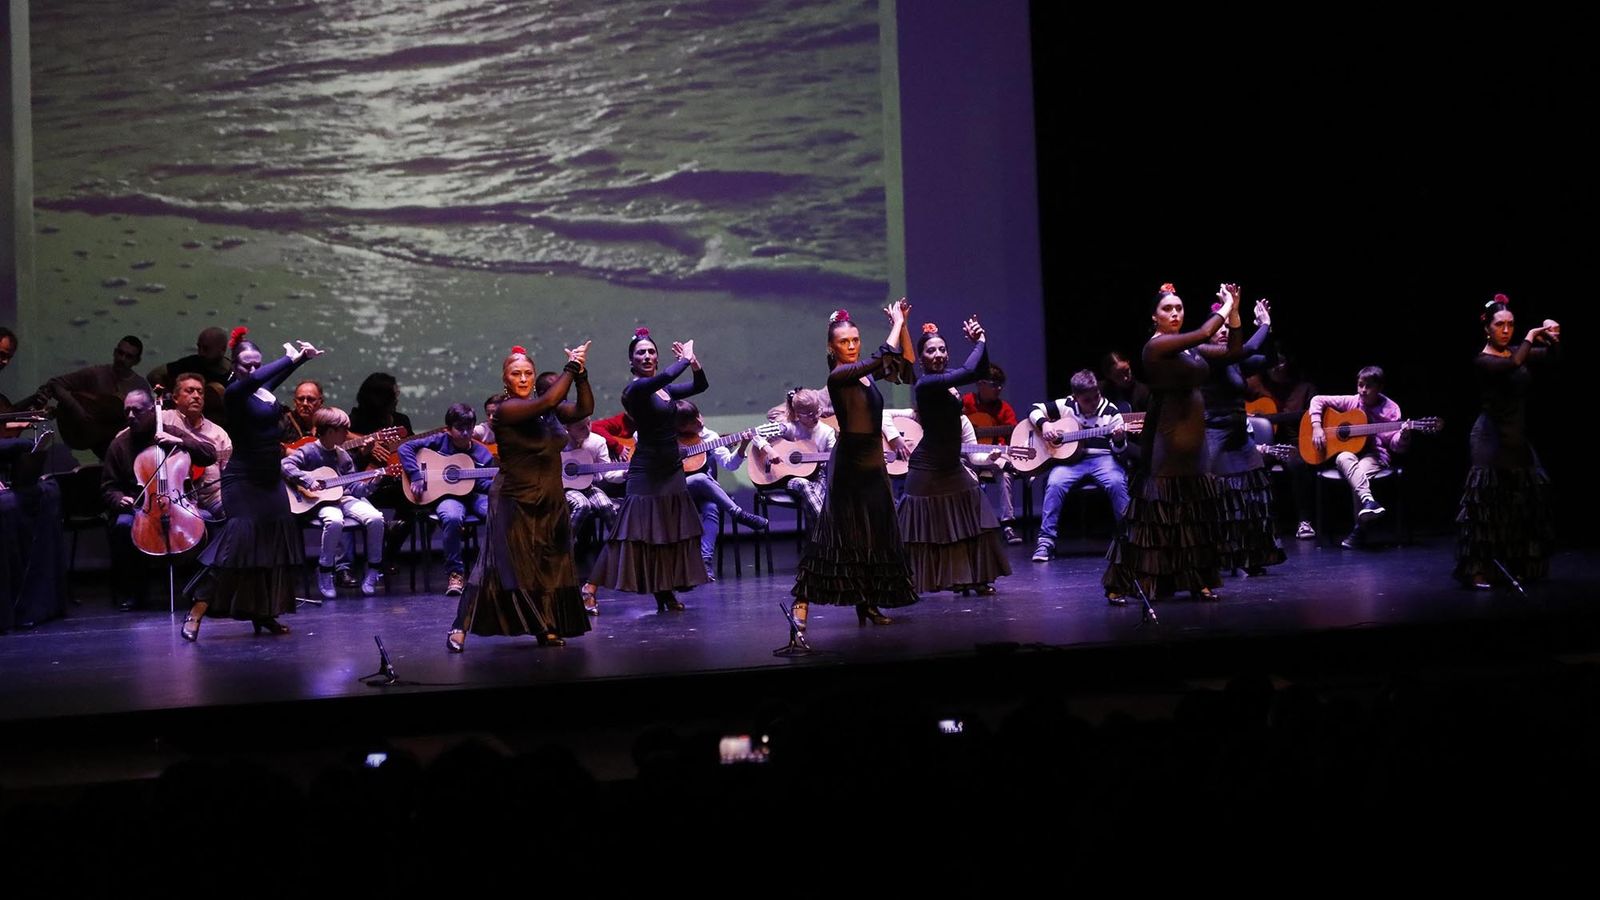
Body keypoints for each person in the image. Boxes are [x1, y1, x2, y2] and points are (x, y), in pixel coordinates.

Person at [447, 342, 593, 651]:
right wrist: (570, 366)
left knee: (549, 565)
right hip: (515, 500)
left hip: (550, 498)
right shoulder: (507, 410)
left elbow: (583, 410)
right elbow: (550, 398)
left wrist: (581, 375)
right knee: (498, 567)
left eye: (528, 373)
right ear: (506, 379)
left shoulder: (547, 411)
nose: (524, 379)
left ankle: (545, 626)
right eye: (516, 374)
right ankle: (460, 625)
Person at [181, 328, 323, 640]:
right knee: (235, 548)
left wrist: (301, 359)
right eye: (247, 364)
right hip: (243, 483)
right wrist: (288, 358)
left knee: (272, 546)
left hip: (270, 481)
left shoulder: (260, 390)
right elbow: (261, 378)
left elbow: (269, 378)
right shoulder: (233, 393)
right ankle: (196, 611)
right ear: (234, 365)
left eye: (258, 364)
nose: (254, 369)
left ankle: (263, 613)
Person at [1103, 283, 1242, 604]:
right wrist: (1226, 305)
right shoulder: (1155, 347)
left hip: (1195, 441)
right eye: (1168, 309)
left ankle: (1197, 580)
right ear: (1155, 316)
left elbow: (1233, 353)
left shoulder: (1188, 350)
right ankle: (1121, 583)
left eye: (1179, 308)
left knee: (1193, 516)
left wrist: (1234, 314)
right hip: (1168, 441)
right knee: (1154, 517)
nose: (1175, 313)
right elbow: (1206, 332)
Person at [788, 304, 919, 642]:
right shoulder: (839, 376)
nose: (851, 346)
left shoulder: (865, 374)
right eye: (844, 342)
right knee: (835, 536)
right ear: (831, 348)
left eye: (855, 340)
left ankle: (868, 603)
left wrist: (903, 325)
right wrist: (896, 324)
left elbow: (906, 364)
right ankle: (801, 602)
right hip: (849, 466)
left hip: (874, 465)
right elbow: (883, 354)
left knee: (874, 536)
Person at [590, 329, 711, 613]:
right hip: (646, 471)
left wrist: (694, 363)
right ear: (631, 362)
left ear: (657, 357)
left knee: (667, 531)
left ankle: (664, 591)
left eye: (651, 352)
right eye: (640, 353)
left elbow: (700, 385)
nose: (647, 356)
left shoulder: (664, 391)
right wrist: (684, 359)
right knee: (630, 532)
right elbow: (667, 376)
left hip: (671, 468)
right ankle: (590, 587)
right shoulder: (636, 390)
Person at [897, 316, 1011, 595]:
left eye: (942, 349)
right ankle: (903, 583)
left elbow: (979, 370)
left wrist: (980, 344)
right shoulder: (927, 384)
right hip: (927, 469)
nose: (938, 355)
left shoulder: (947, 382)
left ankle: (974, 577)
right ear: (921, 359)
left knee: (974, 514)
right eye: (931, 351)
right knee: (920, 530)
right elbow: (971, 370)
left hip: (950, 466)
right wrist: (981, 340)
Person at [1454, 294, 1561, 589]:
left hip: (1516, 436)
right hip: (1489, 438)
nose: (1506, 330)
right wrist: (1531, 336)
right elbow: (1514, 363)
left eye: (1511, 325)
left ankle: (1515, 564)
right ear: (1487, 328)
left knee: (1521, 503)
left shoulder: (1515, 351)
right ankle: (1478, 569)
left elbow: (1551, 358)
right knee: (1485, 504)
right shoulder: (1483, 360)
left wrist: (1553, 336)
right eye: (1500, 324)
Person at [101, 388, 217, 611]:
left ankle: (201, 592)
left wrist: (180, 441)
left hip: (178, 504)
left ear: (152, 411)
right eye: (127, 412)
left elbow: (209, 453)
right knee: (123, 525)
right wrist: (119, 499)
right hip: (141, 508)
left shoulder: (171, 432)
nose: (131, 416)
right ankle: (135, 592)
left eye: (137, 411)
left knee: (208, 520)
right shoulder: (120, 444)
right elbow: (108, 487)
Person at [1202, 297, 1285, 575]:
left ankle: (1250, 556)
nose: (1224, 331)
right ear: (1208, 331)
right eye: (1219, 327)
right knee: (1218, 495)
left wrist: (1268, 332)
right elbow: (1248, 347)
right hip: (1214, 432)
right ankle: (1218, 557)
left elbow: (1268, 360)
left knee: (1253, 490)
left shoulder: (1235, 360)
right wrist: (1264, 325)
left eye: (1228, 327)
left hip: (1238, 432)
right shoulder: (1209, 356)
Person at [282, 407, 388, 598]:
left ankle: (373, 568)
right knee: (334, 521)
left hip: (344, 498)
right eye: (344, 430)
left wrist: (374, 482)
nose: (347, 434)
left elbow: (354, 488)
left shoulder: (343, 455)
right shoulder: (309, 451)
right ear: (330, 431)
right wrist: (308, 481)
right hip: (320, 502)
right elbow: (285, 465)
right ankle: (325, 569)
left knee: (376, 518)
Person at [1028, 369, 1132, 563]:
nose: (1093, 403)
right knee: (1055, 483)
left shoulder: (1111, 412)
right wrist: (1045, 425)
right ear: (1075, 398)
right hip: (1071, 462)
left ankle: (1128, 539)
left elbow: (1120, 452)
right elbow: (1033, 409)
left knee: (1117, 482)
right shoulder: (1066, 405)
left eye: (1096, 396)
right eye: (1087, 400)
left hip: (1103, 459)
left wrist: (1119, 440)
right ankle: (1046, 541)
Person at [1307, 366, 1413, 550]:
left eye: (1368, 386)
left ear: (1379, 387)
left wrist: (1403, 437)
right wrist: (1316, 426)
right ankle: (1367, 505)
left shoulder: (1391, 409)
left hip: (1374, 455)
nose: (1363, 390)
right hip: (1350, 454)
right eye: (1360, 385)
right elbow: (1317, 400)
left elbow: (1395, 446)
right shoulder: (1352, 401)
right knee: (1343, 457)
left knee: (1360, 473)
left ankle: (1360, 528)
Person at [398, 402, 496, 598]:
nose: (465, 433)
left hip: (474, 496)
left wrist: (488, 482)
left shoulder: (482, 453)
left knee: (497, 513)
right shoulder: (439, 441)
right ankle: (455, 574)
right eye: (460, 428)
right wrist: (416, 475)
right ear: (448, 429)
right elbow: (404, 448)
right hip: (448, 497)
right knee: (451, 517)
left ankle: (491, 570)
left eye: (469, 427)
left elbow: (486, 485)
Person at [675, 399, 769, 582]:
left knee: (711, 508)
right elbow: (638, 436)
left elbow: (730, 464)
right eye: (692, 422)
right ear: (679, 426)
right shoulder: (665, 436)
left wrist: (743, 445)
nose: (700, 422)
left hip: (700, 493)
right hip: (674, 491)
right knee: (701, 477)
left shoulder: (709, 437)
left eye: (698, 415)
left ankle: (705, 562)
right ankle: (739, 514)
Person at [23, 335, 150, 457]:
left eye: (129, 356)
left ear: (136, 361)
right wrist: (78, 411)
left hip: (121, 447)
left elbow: (145, 422)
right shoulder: (96, 374)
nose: (122, 359)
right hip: (93, 441)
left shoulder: (140, 386)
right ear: (114, 352)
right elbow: (55, 384)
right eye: (120, 353)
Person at [559, 410, 621, 614]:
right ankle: (564, 552)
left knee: (607, 506)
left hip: (589, 486)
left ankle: (619, 553)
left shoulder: (597, 442)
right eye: (580, 427)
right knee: (582, 505)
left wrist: (625, 473)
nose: (587, 429)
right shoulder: (557, 443)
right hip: (564, 489)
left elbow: (607, 473)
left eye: (588, 424)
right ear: (567, 428)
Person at [962, 363, 1023, 544]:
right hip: (969, 456)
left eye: (1000, 385)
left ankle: (1007, 525)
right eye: (994, 385)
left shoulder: (1004, 409)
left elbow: (1014, 432)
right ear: (981, 384)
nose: (999, 389)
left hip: (994, 456)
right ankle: (972, 525)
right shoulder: (966, 402)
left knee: (1005, 473)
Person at [753, 387, 836, 518]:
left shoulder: (827, 432)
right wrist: (770, 450)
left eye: (818, 411)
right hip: (793, 479)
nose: (815, 417)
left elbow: (832, 461)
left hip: (818, 478)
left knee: (821, 492)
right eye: (810, 415)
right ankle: (827, 525)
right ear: (798, 414)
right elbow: (755, 434)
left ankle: (822, 526)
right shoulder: (790, 428)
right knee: (804, 485)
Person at [164, 372, 232, 521]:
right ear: (175, 398)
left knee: (237, 511)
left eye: (200, 392)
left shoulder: (219, 434)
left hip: (212, 498)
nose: (196, 396)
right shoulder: (163, 419)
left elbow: (228, 475)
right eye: (189, 391)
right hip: (172, 498)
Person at [149, 326, 232, 425]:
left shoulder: (236, 373)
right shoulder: (192, 363)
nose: (201, 353)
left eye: (206, 348)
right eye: (199, 347)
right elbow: (155, 375)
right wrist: (172, 400)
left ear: (223, 349)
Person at [278, 379, 325, 446]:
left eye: (310, 399)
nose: (305, 403)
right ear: (295, 402)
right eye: (300, 399)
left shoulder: (329, 425)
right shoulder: (283, 423)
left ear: (321, 402)